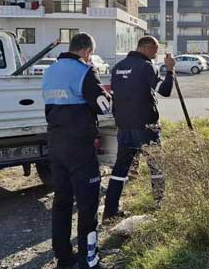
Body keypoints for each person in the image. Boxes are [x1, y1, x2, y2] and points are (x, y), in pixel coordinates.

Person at [42, 32, 111, 269]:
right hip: (79, 146)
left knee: (61, 201)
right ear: (86, 51)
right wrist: (104, 92)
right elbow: (103, 106)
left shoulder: (49, 71)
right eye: (89, 54)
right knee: (88, 203)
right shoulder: (84, 71)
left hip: (56, 143)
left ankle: (63, 257)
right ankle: (89, 261)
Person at [102, 36, 176, 221]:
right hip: (145, 127)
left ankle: (110, 211)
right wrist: (170, 70)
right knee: (157, 168)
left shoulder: (118, 67)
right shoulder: (146, 66)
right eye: (155, 50)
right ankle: (161, 207)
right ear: (146, 48)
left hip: (124, 126)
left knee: (120, 169)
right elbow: (165, 91)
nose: (156, 54)